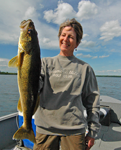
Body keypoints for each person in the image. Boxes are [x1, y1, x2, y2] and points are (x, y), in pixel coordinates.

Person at [34, 18, 100, 150]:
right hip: (45, 127)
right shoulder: (44, 63)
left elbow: (92, 101)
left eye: (71, 37)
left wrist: (92, 132)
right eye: (63, 35)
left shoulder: (85, 68)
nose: (65, 39)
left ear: (77, 43)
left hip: (74, 129)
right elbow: (34, 88)